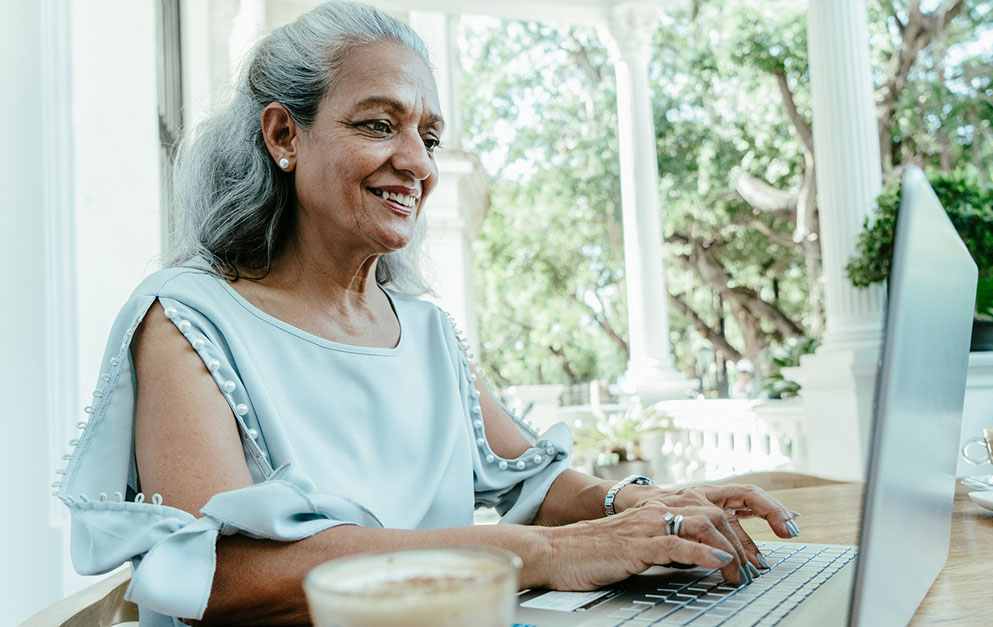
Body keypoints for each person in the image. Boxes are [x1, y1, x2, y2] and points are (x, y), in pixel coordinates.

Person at [53, 2, 799, 624]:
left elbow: (535, 482)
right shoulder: (185, 318)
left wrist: (649, 505)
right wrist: (544, 553)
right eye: (379, 124)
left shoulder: (429, 332)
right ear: (284, 135)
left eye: (429, 136)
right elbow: (222, 576)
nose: (418, 162)